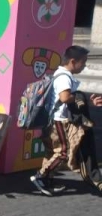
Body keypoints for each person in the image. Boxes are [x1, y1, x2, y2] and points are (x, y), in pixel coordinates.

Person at [31, 45, 102, 195]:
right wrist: (79, 97)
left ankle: (47, 181)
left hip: (53, 119)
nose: (84, 66)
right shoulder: (65, 77)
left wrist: (87, 101)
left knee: (52, 152)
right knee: (64, 152)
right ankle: (41, 177)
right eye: (83, 62)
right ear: (73, 61)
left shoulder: (59, 74)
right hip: (60, 121)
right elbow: (64, 98)